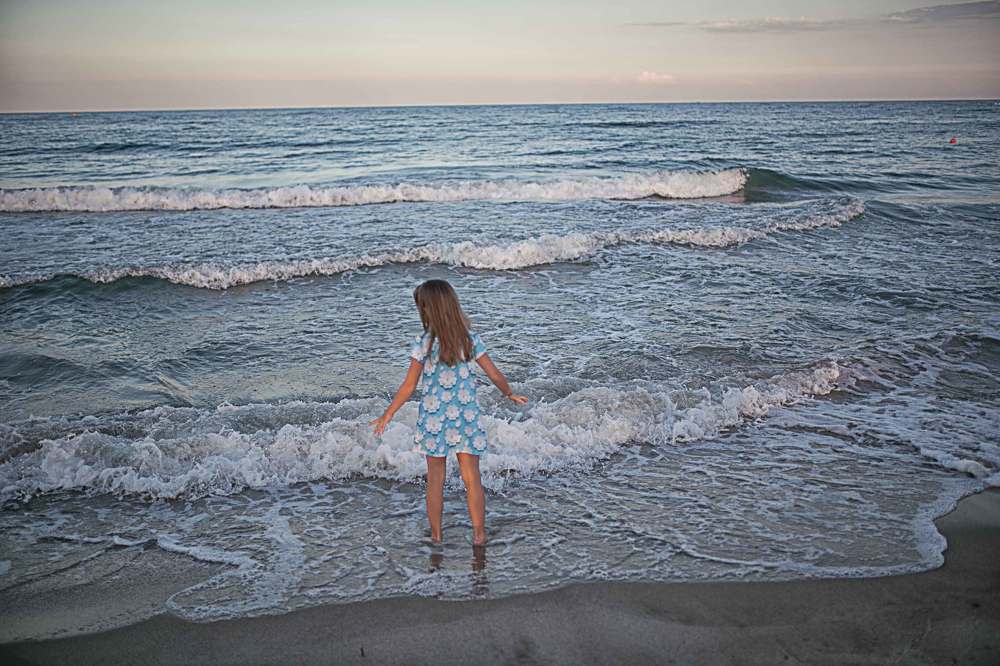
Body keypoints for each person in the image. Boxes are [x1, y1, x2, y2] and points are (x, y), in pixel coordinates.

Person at [371, 279, 527, 546]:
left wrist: (389, 413)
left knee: (435, 479)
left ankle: (436, 536)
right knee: (471, 477)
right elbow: (494, 374)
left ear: (428, 309)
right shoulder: (469, 340)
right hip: (466, 417)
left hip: (434, 419)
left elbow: (409, 386)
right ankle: (479, 535)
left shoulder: (424, 343)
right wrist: (508, 393)